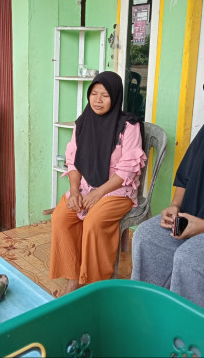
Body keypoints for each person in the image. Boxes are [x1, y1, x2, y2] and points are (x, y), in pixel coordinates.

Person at [131, 68, 204, 318]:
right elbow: (185, 176)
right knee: (146, 236)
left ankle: (195, 331)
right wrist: (175, 206)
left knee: (190, 258)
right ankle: (148, 313)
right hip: (196, 211)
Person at [49, 71, 146, 294]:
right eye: (94, 94)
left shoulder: (128, 126)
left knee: (93, 222)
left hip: (117, 190)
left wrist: (98, 194)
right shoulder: (82, 123)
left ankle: (96, 285)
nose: (98, 100)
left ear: (115, 97)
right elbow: (73, 162)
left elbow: (126, 171)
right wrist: (74, 191)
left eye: (105, 95)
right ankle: (73, 279)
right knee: (61, 218)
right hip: (86, 186)